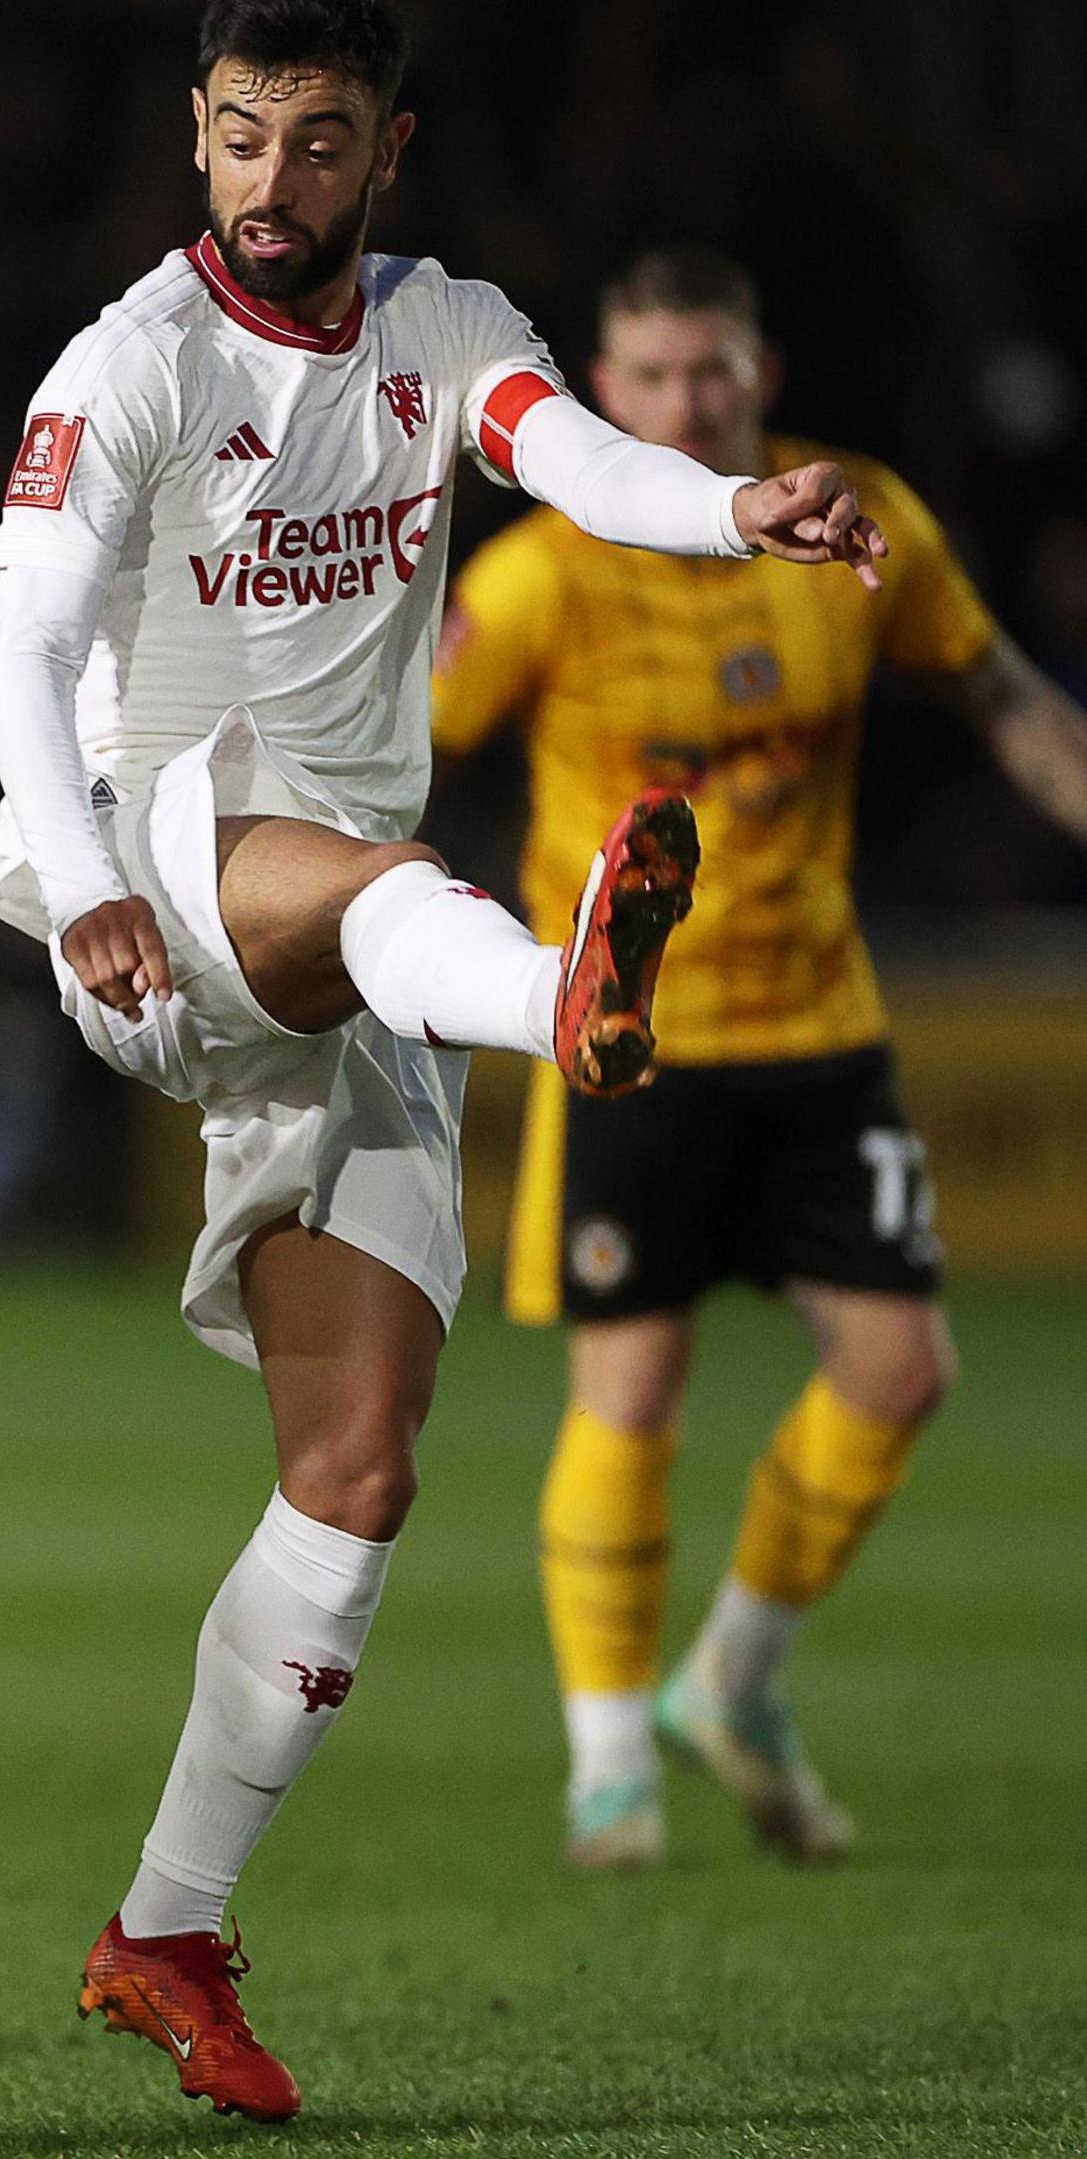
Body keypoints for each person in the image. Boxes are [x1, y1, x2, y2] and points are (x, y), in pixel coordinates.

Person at [0, 0, 885, 2123]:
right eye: (238, 140)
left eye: (317, 143)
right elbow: (20, 655)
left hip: (365, 966)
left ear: (392, 150)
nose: (272, 184)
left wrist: (739, 508)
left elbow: (575, 463)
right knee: (380, 878)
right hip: (157, 864)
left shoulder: (444, 324)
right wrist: (92, 871)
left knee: (359, 1474)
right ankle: (572, 997)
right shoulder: (132, 364)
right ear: (190, 141)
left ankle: (165, 1927)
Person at [435, 247, 1087, 1874]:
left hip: (820, 1025)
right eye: (650, 379)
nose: (685, 402)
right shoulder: (546, 575)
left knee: (902, 1371)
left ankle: (731, 1677)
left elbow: (1001, 691)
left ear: (762, 371)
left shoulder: (861, 517)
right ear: (601, 389)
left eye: (710, 370)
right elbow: (394, 738)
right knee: (632, 1392)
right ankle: (607, 1773)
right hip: (632, 1047)